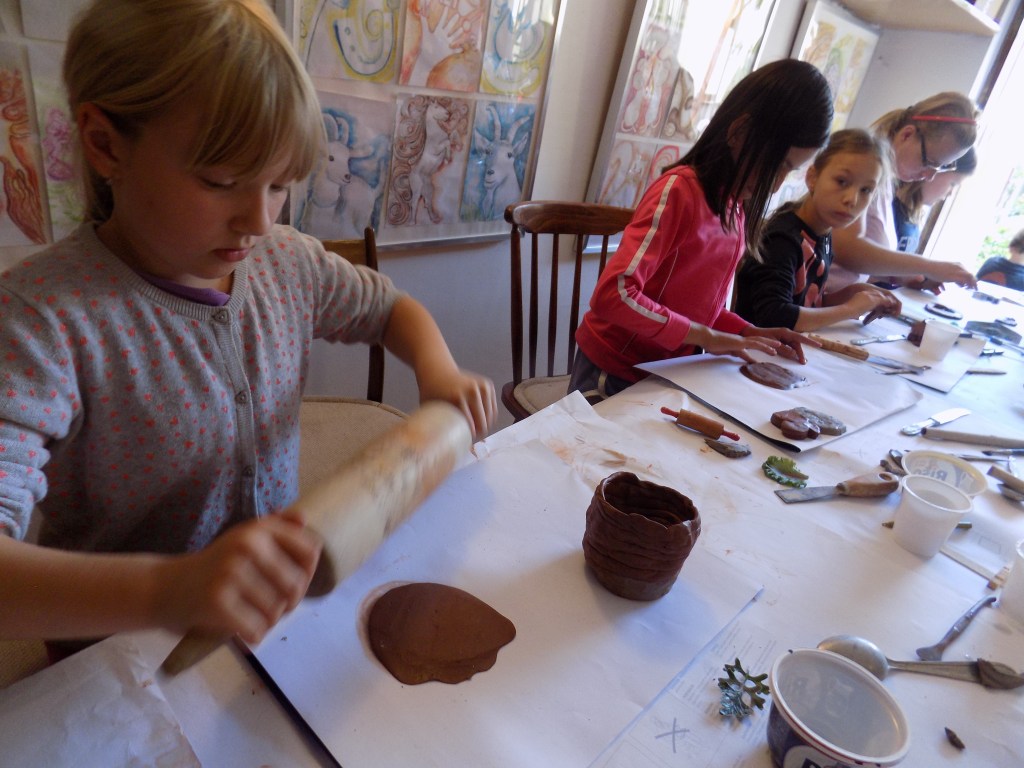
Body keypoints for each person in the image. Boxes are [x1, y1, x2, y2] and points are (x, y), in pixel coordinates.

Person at [0, 0, 496, 654]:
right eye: (222, 181)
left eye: (279, 185)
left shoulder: (284, 261)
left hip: (266, 628)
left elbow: (388, 309)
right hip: (116, 655)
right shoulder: (42, 320)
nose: (259, 221)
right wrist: (168, 591)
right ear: (104, 144)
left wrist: (437, 368)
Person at [568, 59, 833, 403]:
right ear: (739, 133)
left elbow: (696, 313)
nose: (776, 185)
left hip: (666, 373)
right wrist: (708, 338)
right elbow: (613, 295)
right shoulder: (679, 191)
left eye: (790, 171)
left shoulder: (735, 209)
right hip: (614, 371)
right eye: (778, 166)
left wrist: (745, 331)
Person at [734, 130, 901, 332]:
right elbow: (775, 316)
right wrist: (850, 309)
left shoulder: (822, 234)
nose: (852, 199)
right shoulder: (782, 239)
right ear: (812, 177)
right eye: (842, 181)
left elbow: (807, 303)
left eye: (865, 190)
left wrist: (853, 294)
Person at [826, 92, 979, 294]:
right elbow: (845, 249)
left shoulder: (887, 184)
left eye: (940, 168)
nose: (929, 176)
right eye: (930, 162)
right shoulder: (863, 172)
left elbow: (857, 264)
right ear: (906, 135)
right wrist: (929, 266)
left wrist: (908, 276)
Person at [892, 147, 977, 255]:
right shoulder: (887, 204)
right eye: (952, 184)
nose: (950, 193)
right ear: (938, 169)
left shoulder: (914, 217)